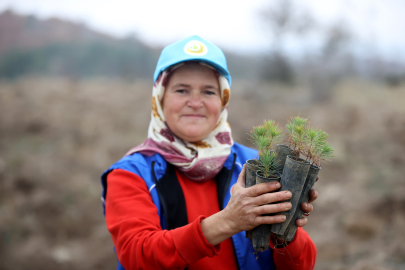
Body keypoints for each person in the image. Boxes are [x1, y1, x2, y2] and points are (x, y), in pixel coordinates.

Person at [101, 35, 318, 270]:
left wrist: (284, 229)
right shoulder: (130, 175)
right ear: (160, 98)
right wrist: (229, 221)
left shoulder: (255, 165)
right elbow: (136, 256)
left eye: (208, 92)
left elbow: (302, 265)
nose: (195, 102)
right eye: (182, 90)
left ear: (224, 99)